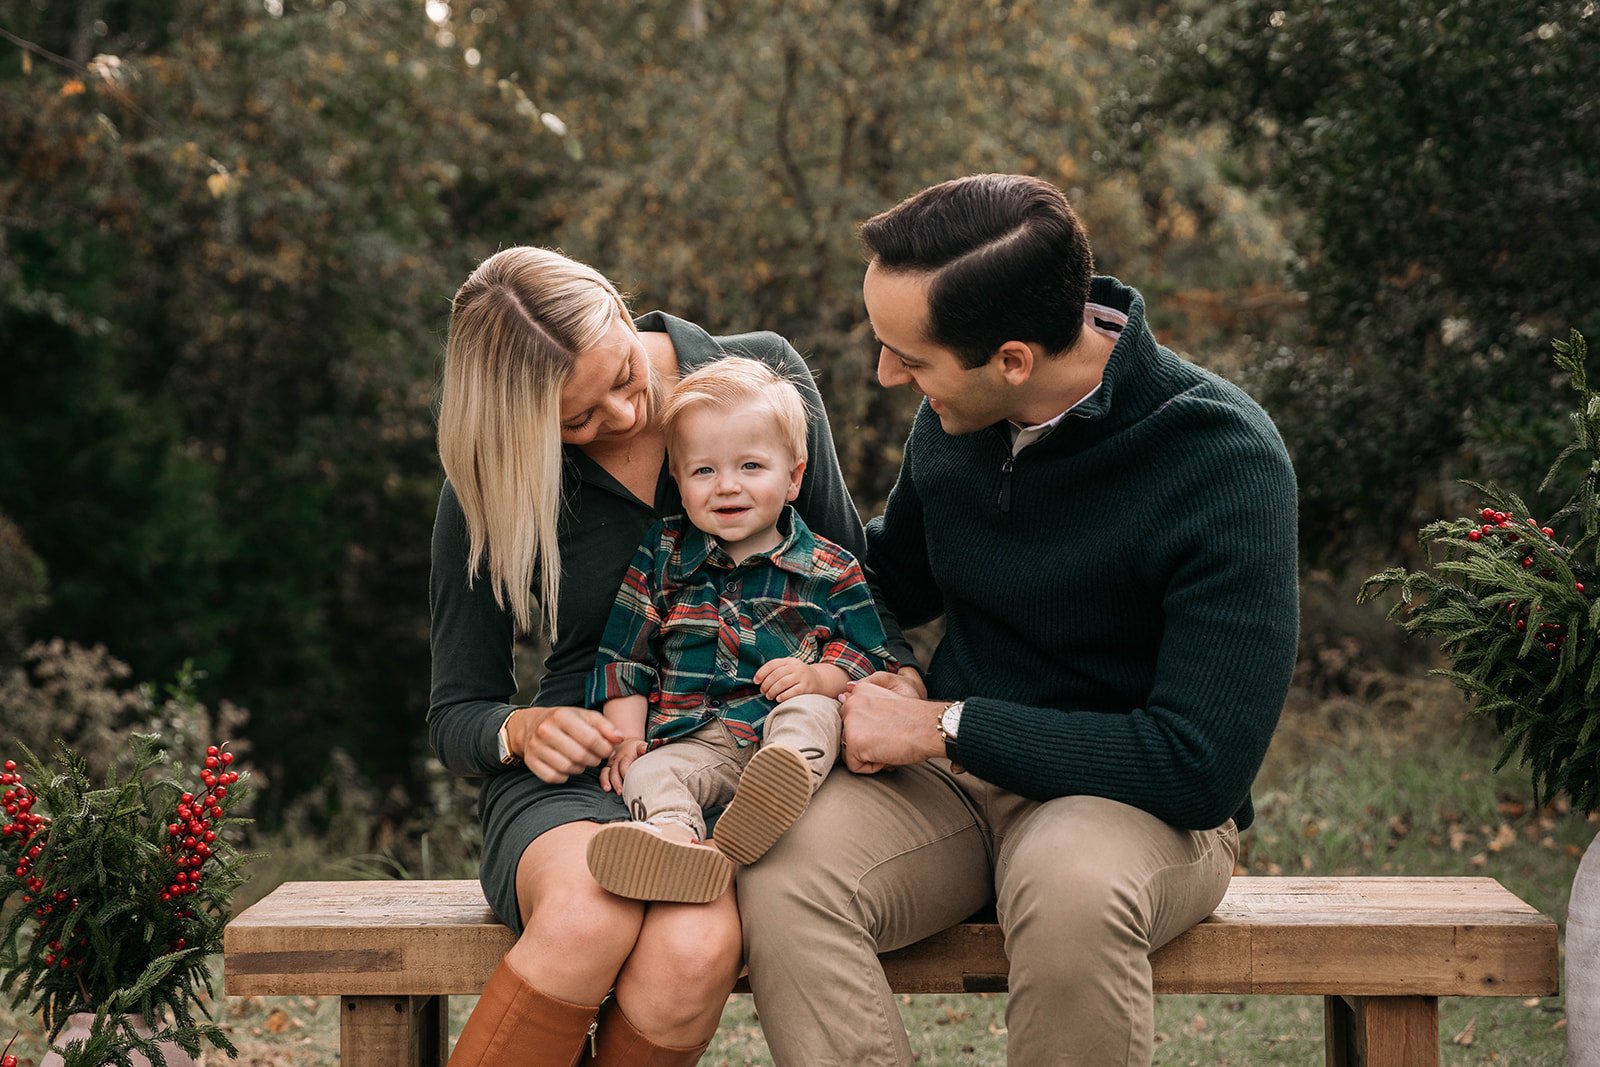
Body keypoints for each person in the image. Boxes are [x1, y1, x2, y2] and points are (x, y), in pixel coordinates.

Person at [737, 173, 1300, 1066]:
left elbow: (1200, 764)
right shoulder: (953, 424)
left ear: (1012, 359)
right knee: (783, 871)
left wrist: (946, 723)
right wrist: (864, 664)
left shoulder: (1222, 460)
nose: (889, 376)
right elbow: (886, 581)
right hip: (955, 783)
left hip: (1136, 805)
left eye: (910, 357)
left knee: (1070, 886)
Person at [428, 246, 911, 1066]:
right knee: (591, 911)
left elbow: (856, 594)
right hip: (593, 772)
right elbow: (457, 710)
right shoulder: (494, 473)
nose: (619, 417)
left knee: (693, 950)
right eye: (575, 421)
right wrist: (523, 730)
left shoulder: (757, 380)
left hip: (762, 763)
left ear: (623, 309)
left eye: (623, 377)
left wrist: (853, 683)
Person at [582, 358, 897, 904]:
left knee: (813, 711)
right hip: (697, 740)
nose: (726, 486)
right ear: (678, 483)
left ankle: (775, 794)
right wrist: (629, 740)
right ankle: (678, 843)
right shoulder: (662, 555)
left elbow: (873, 657)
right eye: (703, 471)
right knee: (647, 774)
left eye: (751, 466)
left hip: (787, 736)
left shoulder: (829, 566)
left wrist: (818, 677)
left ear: (794, 477)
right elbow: (625, 657)